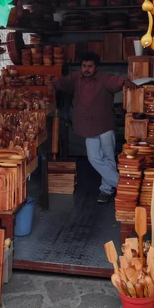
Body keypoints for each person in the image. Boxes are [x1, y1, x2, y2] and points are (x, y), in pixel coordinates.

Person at [52, 52, 136, 203]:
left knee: (109, 158)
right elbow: (61, 83)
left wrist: (125, 82)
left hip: (105, 125)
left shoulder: (104, 78)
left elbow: (117, 81)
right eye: (84, 66)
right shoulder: (76, 78)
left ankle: (106, 190)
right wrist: (50, 85)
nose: (86, 69)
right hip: (88, 126)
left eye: (90, 66)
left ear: (96, 67)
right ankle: (123, 185)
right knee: (94, 158)